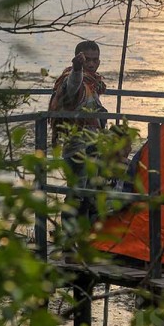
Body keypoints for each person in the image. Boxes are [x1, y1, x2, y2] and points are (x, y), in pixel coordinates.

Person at [49, 40, 108, 228]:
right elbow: (73, 86)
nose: (91, 64)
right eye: (87, 60)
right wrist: (77, 68)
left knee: (91, 195)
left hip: (92, 144)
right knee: (77, 196)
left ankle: (85, 240)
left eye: (95, 60)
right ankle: (69, 243)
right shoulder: (73, 79)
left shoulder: (94, 83)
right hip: (76, 147)